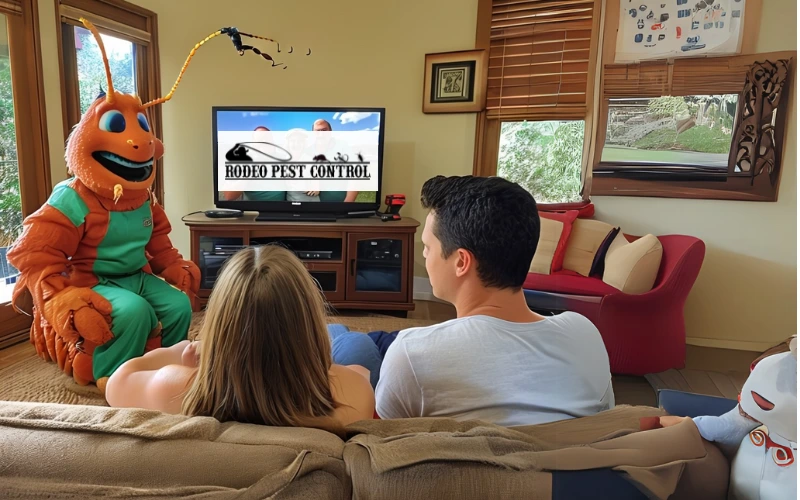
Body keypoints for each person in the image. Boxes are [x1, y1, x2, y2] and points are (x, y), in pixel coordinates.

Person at [368, 175, 614, 426]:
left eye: (427, 247)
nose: (424, 254)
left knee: (355, 345)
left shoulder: (412, 353)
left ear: (461, 262)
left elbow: (386, 439)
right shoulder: (585, 335)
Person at [104, 245, 376, 430]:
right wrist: (338, 368)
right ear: (310, 319)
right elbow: (357, 374)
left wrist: (188, 351)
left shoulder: (173, 388)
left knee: (341, 338)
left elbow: (117, 380)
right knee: (354, 343)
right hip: (316, 369)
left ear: (219, 326)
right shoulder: (354, 392)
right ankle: (330, 335)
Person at [220, 126, 286, 202]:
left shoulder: (282, 158)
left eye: (267, 139)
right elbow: (229, 196)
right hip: (254, 211)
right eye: (260, 140)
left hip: (281, 210)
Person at [311, 119, 358, 203]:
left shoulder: (344, 148)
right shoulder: (308, 150)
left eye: (324, 130)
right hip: (312, 206)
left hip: (339, 204)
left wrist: (347, 204)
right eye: (317, 131)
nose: (321, 134)